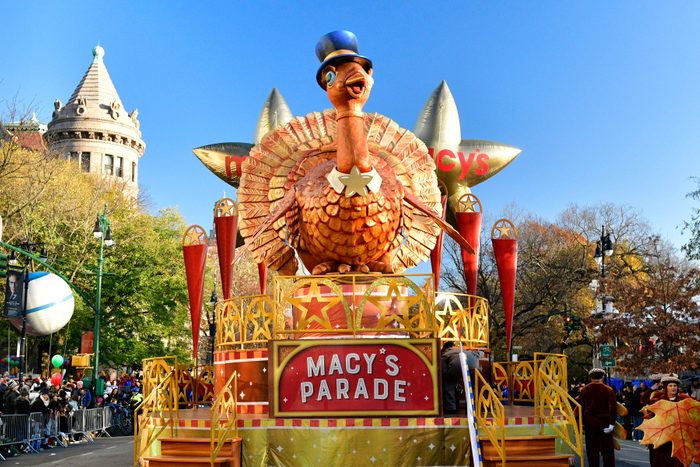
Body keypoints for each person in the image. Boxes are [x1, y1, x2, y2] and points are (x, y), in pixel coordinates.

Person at [645, 375, 689, 467]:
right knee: (662, 461)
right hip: (662, 438)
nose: (673, 388)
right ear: (666, 388)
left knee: (678, 462)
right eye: (670, 386)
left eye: (675, 386)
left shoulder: (683, 399)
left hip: (679, 437)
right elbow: (648, 408)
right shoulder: (658, 399)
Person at [577, 368, 617, 467]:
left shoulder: (584, 390)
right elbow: (613, 408)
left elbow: (580, 407)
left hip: (590, 423)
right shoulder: (608, 390)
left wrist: (580, 422)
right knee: (607, 450)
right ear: (602, 377)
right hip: (605, 423)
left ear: (591, 378)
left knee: (592, 450)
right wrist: (612, 424)